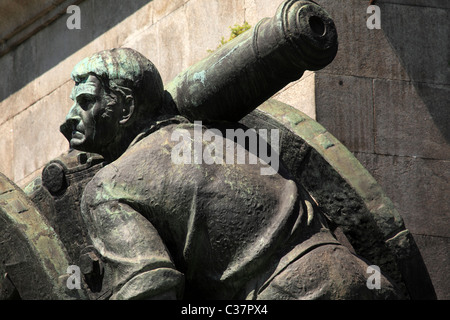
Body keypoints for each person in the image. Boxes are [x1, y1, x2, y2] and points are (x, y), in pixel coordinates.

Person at [60, 48, 402, 300]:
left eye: (86, 101)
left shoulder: (106, 188)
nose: (69, 119)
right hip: (360, 276)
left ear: (126, 107)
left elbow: (150, 291)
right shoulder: (225, 135)